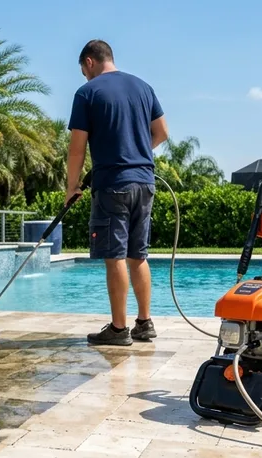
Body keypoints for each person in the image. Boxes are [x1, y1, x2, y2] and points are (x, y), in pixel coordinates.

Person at [66, 39, 168, 346]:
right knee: (139, 255)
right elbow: (161, 133)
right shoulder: (143, 87)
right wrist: (135, 153)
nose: (84, 75)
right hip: (144, 181)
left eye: (83, 70)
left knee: (115, 256)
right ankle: (144, 323)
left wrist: (71, 187)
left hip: (113, 185)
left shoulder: (87, 93)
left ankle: (119, 329)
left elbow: (77, 149)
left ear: (89, 62)